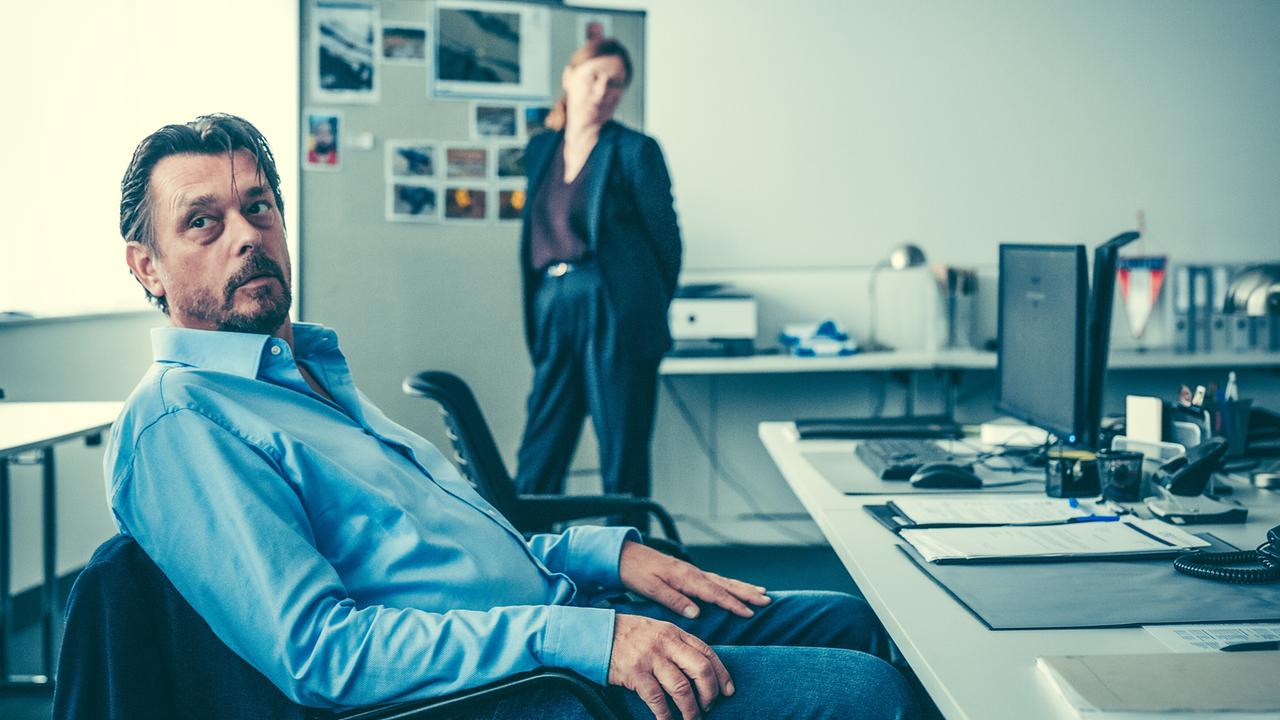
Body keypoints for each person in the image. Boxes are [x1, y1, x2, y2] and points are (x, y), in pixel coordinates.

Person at [108, 113, 914, 720]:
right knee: (865, 690)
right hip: (509, 692)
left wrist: (599, 556)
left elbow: (445, 559)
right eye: (203, 221)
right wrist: (577, 640)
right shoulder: (183, 421)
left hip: (563, 619)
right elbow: (325, 653)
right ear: (147, 265)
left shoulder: (307, 372)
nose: (247, 235)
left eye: (260, 207)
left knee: (853, 621)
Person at [516, 39, 679, 505]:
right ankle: (528, 561)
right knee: (539, 450)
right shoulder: (541, 150)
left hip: (614, 306)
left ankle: (634, 572)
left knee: (621, 453)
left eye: (616, 84)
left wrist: (640, 304)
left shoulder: (635, 151)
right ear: (569, 78)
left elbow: (667, 246)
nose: (604, 90)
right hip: (553, 301)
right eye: (594, 77)